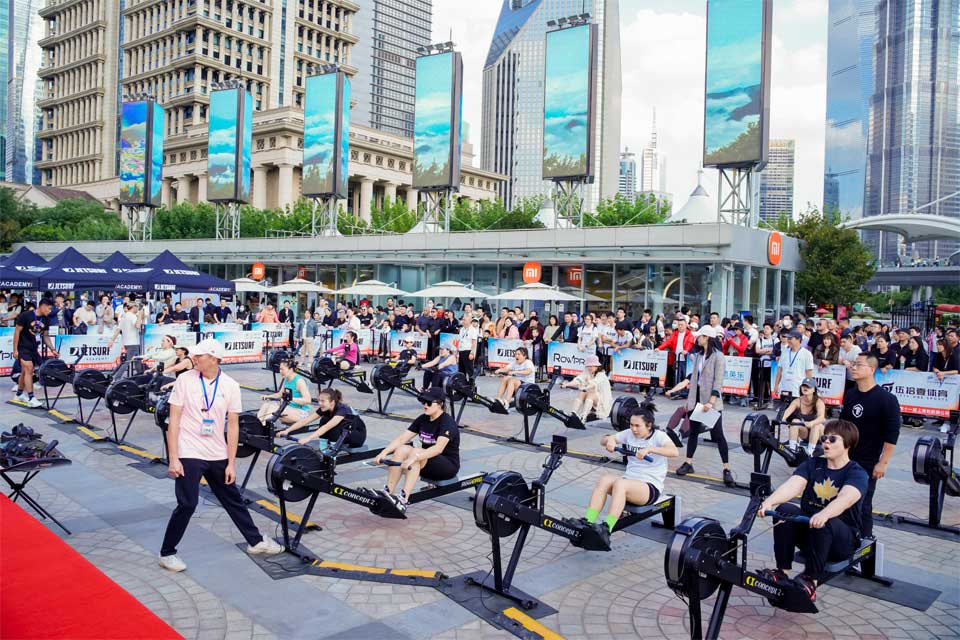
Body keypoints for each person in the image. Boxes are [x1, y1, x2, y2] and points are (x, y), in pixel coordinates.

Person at [160, 339, 283, 572]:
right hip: (189, 451)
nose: (194, 358)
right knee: (187, 504)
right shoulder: (185, 380)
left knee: (232, 498)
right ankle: (167, 553)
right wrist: (173, 457)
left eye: (199, 356)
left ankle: (256, 541)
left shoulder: (230, 385)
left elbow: (233, 425)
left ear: (214, 359)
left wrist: (231, 463)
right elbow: (173, 420)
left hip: (217, 452)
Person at [757, 419, 869, 603]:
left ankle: (811, 580)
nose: (826, 442)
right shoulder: (813, 464)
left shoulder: (857, 473)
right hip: (812, 532)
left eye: (833, 439)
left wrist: (824, 514)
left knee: (827, 521)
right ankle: (782, 572)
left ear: (847, 444)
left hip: (841, 542)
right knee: (785, 510)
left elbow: (846, 499)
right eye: (824, 438)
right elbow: (793, 485)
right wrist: (769, 502)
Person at [582, 403, 678, 541]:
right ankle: (588, 521)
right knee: (605, 479)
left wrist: (650, 449)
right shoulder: (629, 434)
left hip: (650, 487)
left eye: (637, 426)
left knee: (620, 484)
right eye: (631, 425)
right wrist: (610, 440)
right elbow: (604, 440)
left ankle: (607, 528)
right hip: (630, 481)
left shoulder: (659, 436)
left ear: (649, 425)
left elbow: (674, 452)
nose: (633, 429)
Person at [839, 353, 900, 538]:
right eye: (853, 364)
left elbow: (892, 435)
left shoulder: (886, 399)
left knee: (863, 504)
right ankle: (843, 539)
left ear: (871, 369)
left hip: (868, 460)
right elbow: (843, 426)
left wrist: (883, 462)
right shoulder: (850, 394)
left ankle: (865, 540)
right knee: (840, 500)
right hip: (845, 457)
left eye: (859, 365)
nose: (853, 367)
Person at [374, 387, 460, 513]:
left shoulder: (447, 422)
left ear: (440, 404)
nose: (425, 405)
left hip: (447, 466)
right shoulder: (423, 419)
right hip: (425, 462)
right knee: (402, 449)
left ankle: (403, 499)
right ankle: (388, 492)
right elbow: (402, 438)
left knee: (416, 452)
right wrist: (383, 453)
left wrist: (414, 457)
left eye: (429, 402)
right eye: (423, 402)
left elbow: (438, 449)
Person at [675, 326, 734, 486]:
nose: (697, 339)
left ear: (707, 337)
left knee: (718, 435)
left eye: (699, 336)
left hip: (709, 401)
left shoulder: (718, 356)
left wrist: (711, 401)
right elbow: (694, 379)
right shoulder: (699, 355)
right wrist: (689, 400)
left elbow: (718, 381)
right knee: (693, 432)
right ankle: (688, 462)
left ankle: (726, 468)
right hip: (696, 399)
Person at [276, 388, 367, 449]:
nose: (319, 403)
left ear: (332, 402)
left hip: (357, 436)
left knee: (333, 427)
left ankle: (332, 453)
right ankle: (323, 448)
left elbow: (326, 427)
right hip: (344, 432)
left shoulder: (342, 410)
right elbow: (306, 420)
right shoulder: (326, 407)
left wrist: (308, 438)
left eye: (322, 401)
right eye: (319, 400)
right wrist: (287, 431)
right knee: (324, 419)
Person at [13, 298, 58, 408]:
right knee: (29, 369)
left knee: (24, 371)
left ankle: (19, 394)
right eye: (49, 308)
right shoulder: (25, 315)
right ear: (42, 306)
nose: (49, 311)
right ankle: (31, 398)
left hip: (33, 348)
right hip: (23, 347)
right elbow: (17, 332)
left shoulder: (46, 319)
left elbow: (45, 336)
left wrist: (53, 349)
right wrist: (15, 350)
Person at [258, 358, 312, 424]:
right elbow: (280, 394)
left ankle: (263, 427)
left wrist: (291, 399)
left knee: (274, 409)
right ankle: (257, 424)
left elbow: (308, 400)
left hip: (301, 413)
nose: (280, 371)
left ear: (290, 369)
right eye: (280, 369)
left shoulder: (299, 381)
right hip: (289, 408)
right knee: (266, 405)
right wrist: (268, 396)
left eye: (282, 369)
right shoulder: (286, 379)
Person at [560, 354, 612, 422]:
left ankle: (583, 417)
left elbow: (593, 384)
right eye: (588, 366)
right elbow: (578, 380)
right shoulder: (587, 371)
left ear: (596, 366)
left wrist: (585, 388)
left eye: (591, 366)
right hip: (592, 395)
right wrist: (566, 384)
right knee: (582, 393)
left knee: (590, 393)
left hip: (603, 400)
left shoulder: (601, 375)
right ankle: (573, 413)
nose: (589, 368)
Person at [782, 377, 827, 455]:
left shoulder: (819, 402)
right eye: (804, 386)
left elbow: (821, 418)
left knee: (816, 425)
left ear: (814, 389)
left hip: (819, 434)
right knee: (795, 421)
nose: (805, 388)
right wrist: (781, 419)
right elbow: (786, 413)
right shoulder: (797, 401)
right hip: (806, 433)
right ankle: (793, 451)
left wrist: (812, 423)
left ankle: (810, 453)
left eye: (808, 386)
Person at [773, 329, 815, 398]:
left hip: (798, 389)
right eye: (788, 338)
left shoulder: (806, 354)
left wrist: (807, 389)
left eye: (790, 338)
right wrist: (776, 385)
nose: (788, 340)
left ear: (798, 339)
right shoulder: (784, 352)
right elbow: (780, 370)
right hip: (784, 388)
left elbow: (809, 373)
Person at [457, 314, 479, 382]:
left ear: (469, 321)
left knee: (469, 369)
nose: (463, 321)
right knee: (461, 369)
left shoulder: (473, 330)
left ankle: (471, 384)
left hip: (468, 350)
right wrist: (457, 352)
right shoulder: (462, 329)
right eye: (463, 320)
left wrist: (472, 353)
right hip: (461, 350)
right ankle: (462, 383)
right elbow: (459, 340)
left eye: (465, 320)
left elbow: (474, 342)